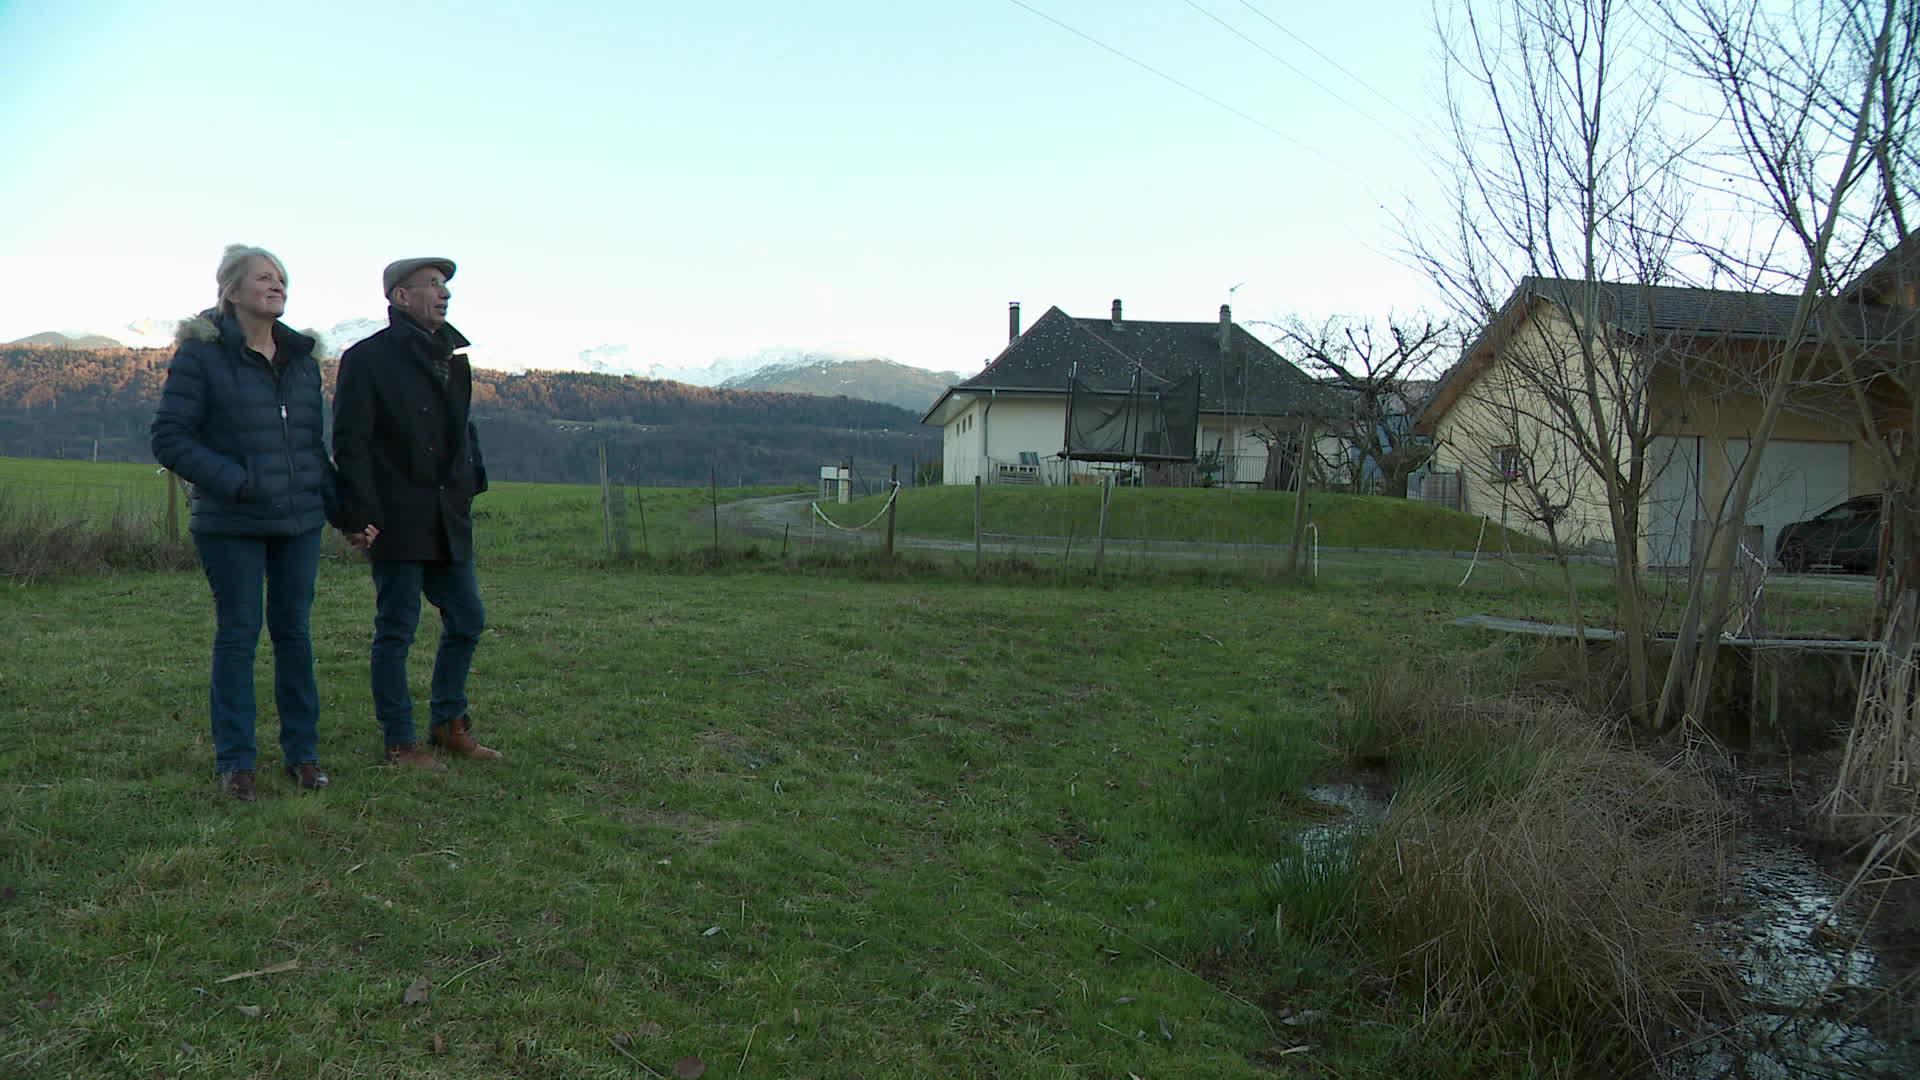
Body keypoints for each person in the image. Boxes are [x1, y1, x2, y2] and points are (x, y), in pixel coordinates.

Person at [151, 244, 344, 800]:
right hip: (230, 523)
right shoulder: (201, 357)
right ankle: (237, 763)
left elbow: (312, 449)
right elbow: (169, 438)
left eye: (281, 277)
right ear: (232, 291)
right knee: (238, 635)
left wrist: (347, 514)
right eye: (264, 278)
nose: (277, 285)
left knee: (295, 634)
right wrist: (237, 481)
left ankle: (303, 756)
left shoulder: (303, 362)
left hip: (299, 522)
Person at [332, 257, 500, 770]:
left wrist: (470, 483)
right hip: (396, 515)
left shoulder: (454, 358)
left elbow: (458, 435)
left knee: (468, 617)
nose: (444, 293)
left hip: (446, 514)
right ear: (401, 297)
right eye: (432, 284)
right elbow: (350, 442)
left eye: (446, 286)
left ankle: (448, 724)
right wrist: (359, 513)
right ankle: (400, 741)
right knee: (397, 628)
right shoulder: (366, 359)